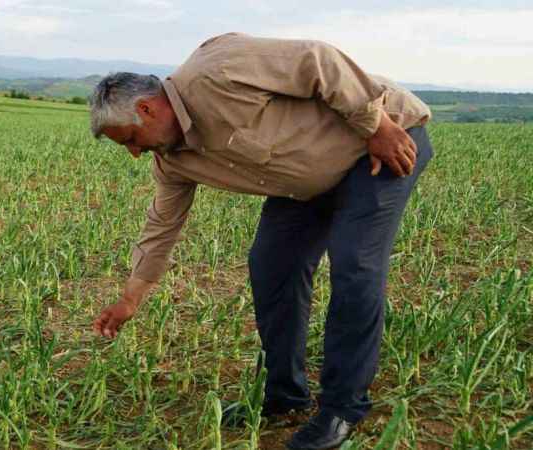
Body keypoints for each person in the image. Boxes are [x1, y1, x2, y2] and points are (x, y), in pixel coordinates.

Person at [90, 32, 433, 450]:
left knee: (355, 264)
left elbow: (318, 60)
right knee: (271, 264)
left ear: (146, 109)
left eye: (130, 139)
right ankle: (284, 396)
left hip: (379, 145)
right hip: (308, 180)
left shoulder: (215, 71)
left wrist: (377, 126)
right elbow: (161, 226)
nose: (134, 152)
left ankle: (343, 408)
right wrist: (130, 299)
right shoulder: (172, 161)